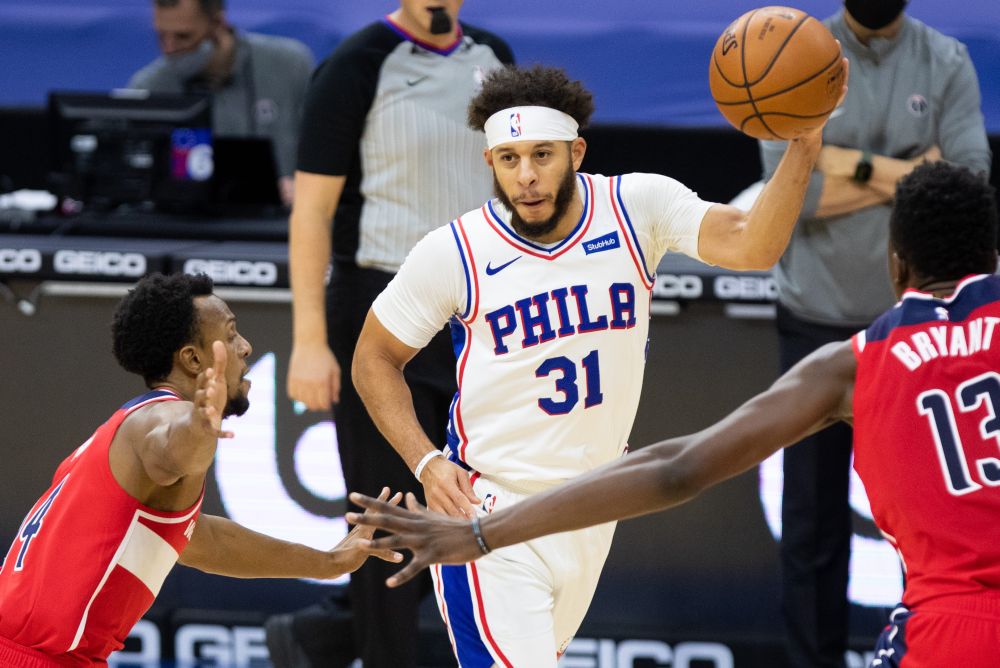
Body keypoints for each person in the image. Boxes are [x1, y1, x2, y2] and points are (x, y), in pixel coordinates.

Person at [350, 161, 1000, 668]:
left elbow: (676, 470)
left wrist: (485, 533)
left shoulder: (855, 363)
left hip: (953, 629)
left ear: (896, 266)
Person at [348, 62, 844, 666]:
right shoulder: (456, 250)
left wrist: (805, 143)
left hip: (590, 505)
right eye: (509, 159)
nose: (526, 177)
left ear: (576, 150)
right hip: (489, 514)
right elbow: (373, 357)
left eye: (542, 155)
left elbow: (754, 244)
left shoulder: (636, 206)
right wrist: (424, 461)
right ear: (489, 163)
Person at [0, 272, 400, 667]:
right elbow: (173, 449)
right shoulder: (160, 421)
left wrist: (329, 563)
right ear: (192, 359)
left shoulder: (124, 430)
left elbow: (202, 541)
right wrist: (199, 426)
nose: (245, 346)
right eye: (230, 334)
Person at [279, 2, 514, 666]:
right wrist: (309, 337)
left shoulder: (493, 57)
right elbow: (313, 212)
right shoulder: (357, 65)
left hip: (479, 312)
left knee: (477, 510)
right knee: (389, 520)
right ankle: (358, 648)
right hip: (381, 312)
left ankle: (318, 638)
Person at [758, 2, 992, 664]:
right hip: (818, 319)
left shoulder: (943, 58)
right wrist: (907, 171)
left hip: (924, 330)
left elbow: (970, 182)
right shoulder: (794, 54)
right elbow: (791, 196)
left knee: (937, 521)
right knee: (811, 524)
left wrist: (838, 162)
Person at [128, 0, 314, 206]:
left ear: (218, 23)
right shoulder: (149, 86)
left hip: (281, 219)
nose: (169, 49)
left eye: (183, 37)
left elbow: (328, 149)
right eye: (161, 36)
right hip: (187, 223)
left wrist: (304, 187)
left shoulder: (289, 65)